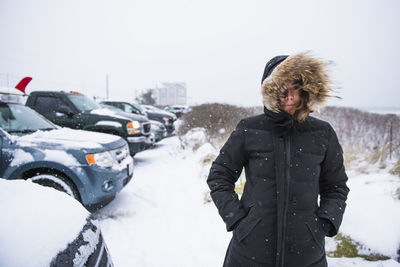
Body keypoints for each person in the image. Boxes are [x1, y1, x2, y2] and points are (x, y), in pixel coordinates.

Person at [207, 52, 349, 267]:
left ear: (306, 91)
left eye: (296, 89)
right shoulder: (249, 129)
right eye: (282, 89)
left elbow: (336, 186)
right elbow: (219, 176)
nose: (290, 97)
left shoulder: (323, 133)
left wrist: (325, 223)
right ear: (269, 91)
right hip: (250, 253)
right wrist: (237, 220)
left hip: (306, 255)